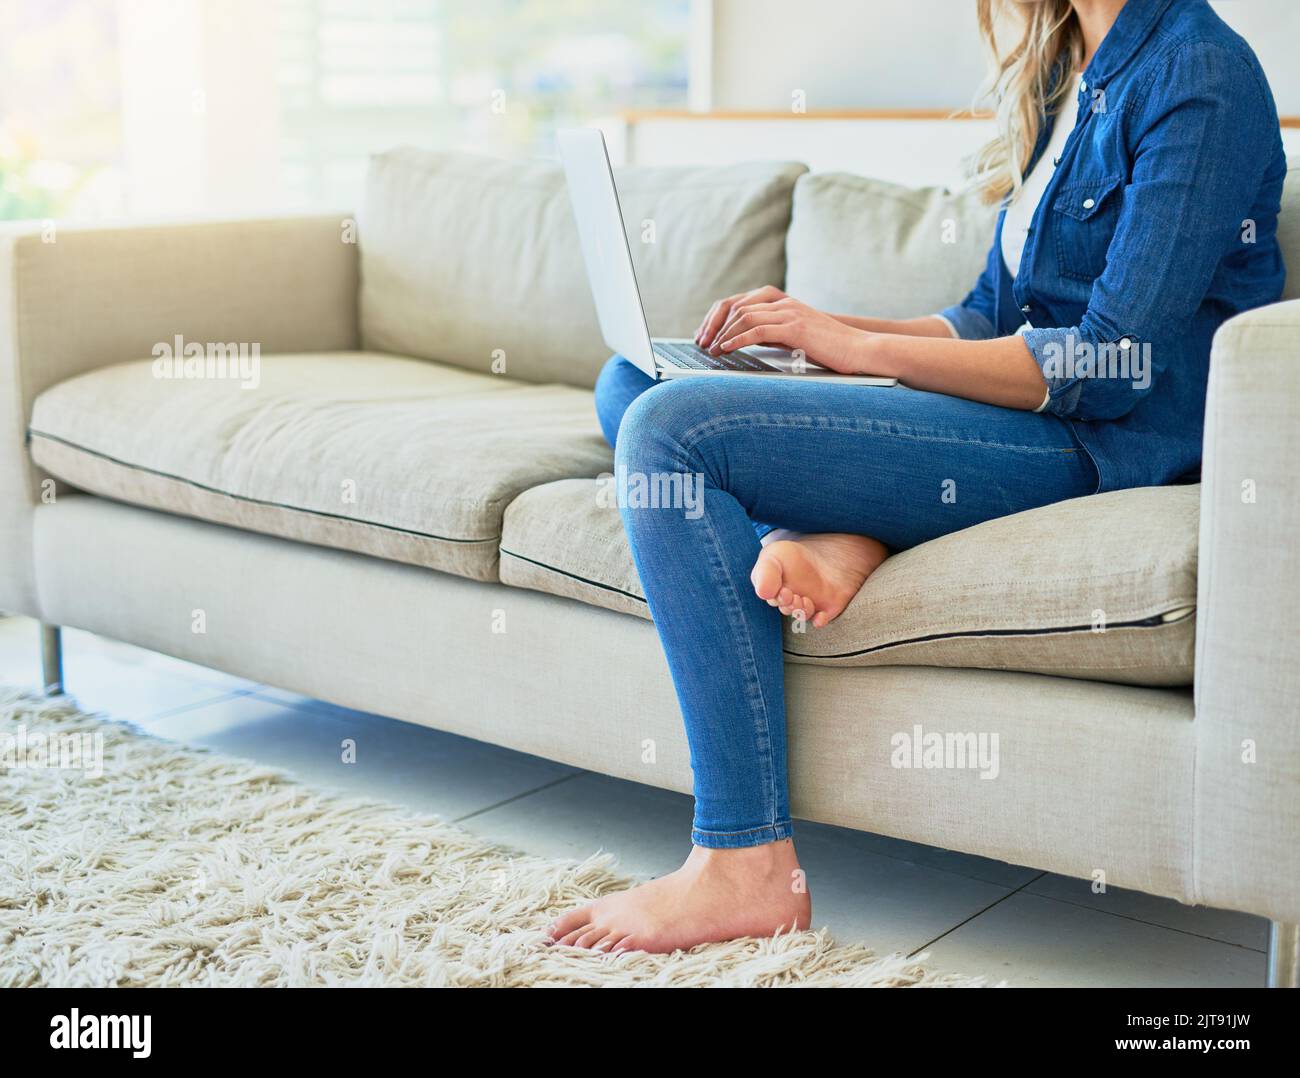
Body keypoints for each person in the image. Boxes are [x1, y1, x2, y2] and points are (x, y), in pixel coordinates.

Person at [547, 0, 1287, 955]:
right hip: (1013, 409)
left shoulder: (1199, 72)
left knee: (668, 435)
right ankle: (822, 531)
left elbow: (1109, 362)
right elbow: (988, 313)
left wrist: (853, 349)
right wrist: (823, 328)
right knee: (636, 377)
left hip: (1104, 443)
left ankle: (745, 862)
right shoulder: (1069, 58)